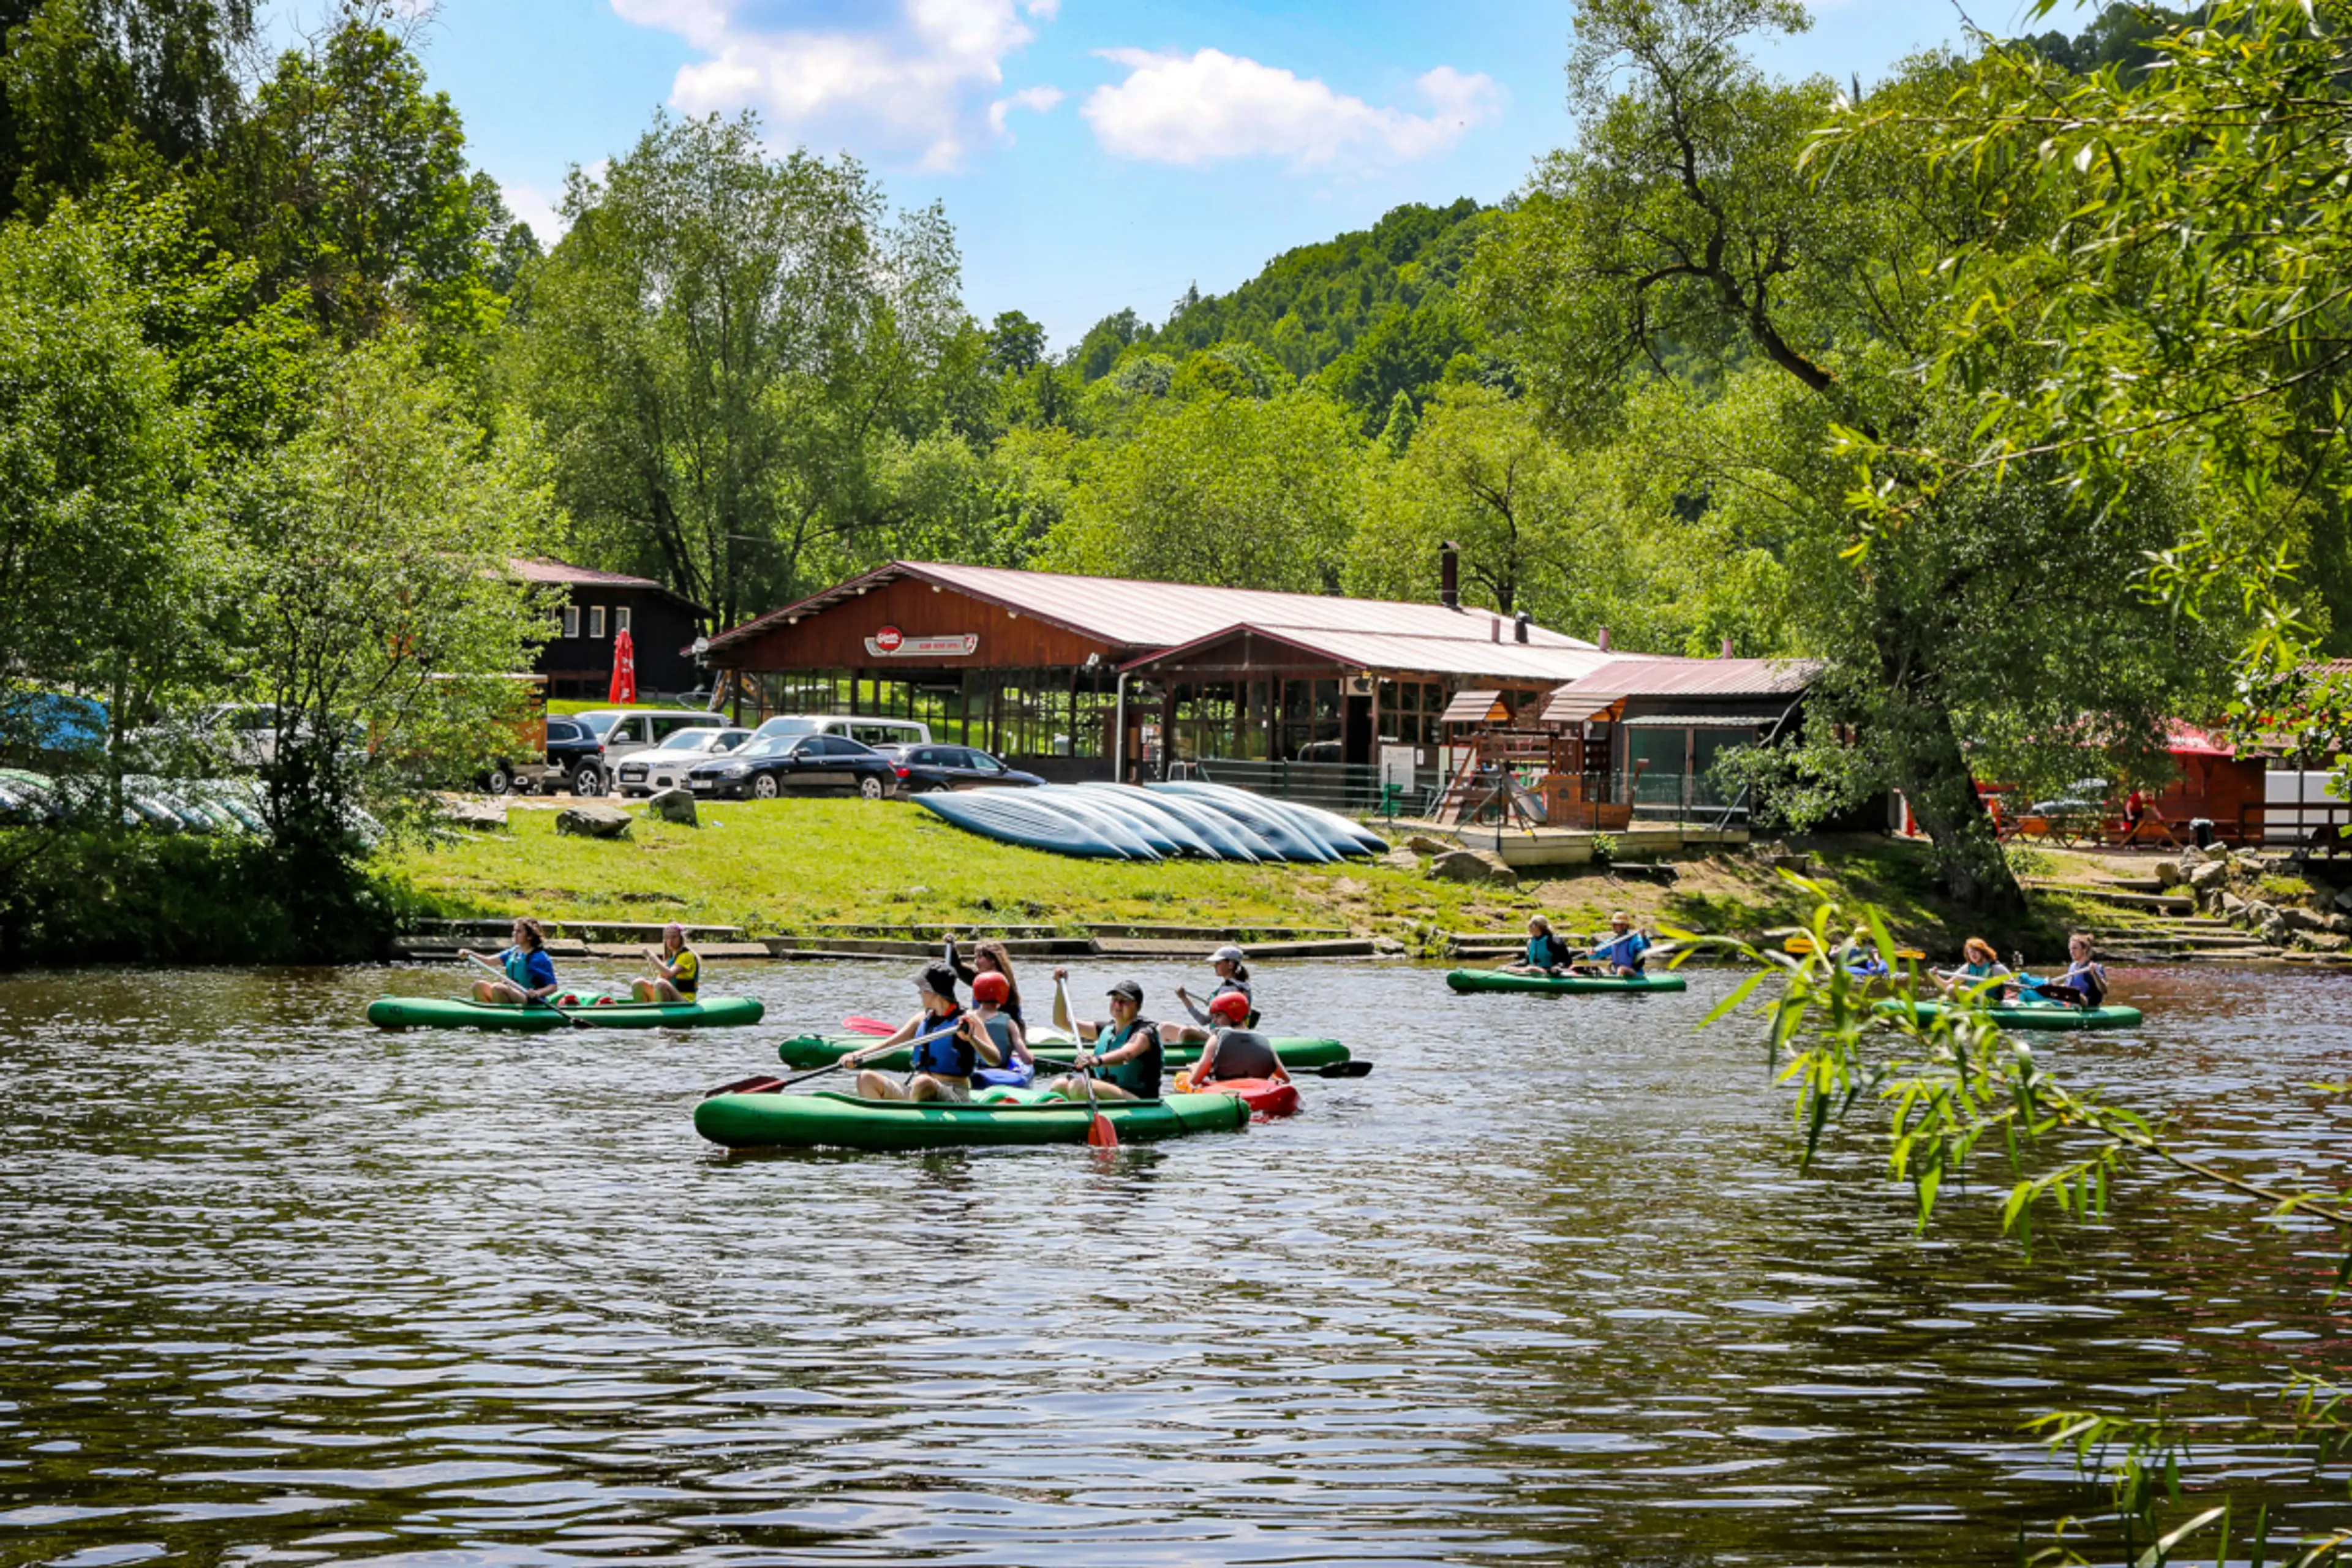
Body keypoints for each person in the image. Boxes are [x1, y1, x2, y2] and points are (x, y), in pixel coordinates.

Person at [849, 964, 1001, 1103]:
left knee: (923, 1083)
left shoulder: (968, 1019)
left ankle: (912, 1121)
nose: (919, 992)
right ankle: (882, 1127)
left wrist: (972, 1039)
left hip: (953, 1093)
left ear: (932, 990)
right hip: (916, 1089)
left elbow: (994, 1059)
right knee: (866, 1078)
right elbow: (889, 1045)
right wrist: (856, 1056)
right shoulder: (922, 1018)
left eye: (922, 987)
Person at [1044, 970, 1163, 1102]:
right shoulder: (1106, 1029)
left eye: (1125, 1001)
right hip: (1111, 1093)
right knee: (1059, 1085)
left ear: (1138, 1007)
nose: (1118, 1005)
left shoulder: (1145, 1032)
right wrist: (1060, 987)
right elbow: (1061, 1022)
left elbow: (1127, 1054)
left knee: (1079, 1086)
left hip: (1141, 1101)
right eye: (1115, 1000)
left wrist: (1096, 1060)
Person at [1187, 990, 1287, 1086]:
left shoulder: (1216, 1038)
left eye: (1218, 1016)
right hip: (1258, 1090)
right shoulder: (1262, 1040)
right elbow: (1285, 1079)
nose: (1214, 1021)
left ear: (1234, 1014)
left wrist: (1194, 1069)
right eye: (1213, 1017)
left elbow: (1196, 1080)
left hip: (1226, 1091)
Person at [463, 918, 559, 1005]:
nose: (514, 934)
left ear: (530, 936)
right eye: (514, 930)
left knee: (498, 987)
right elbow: (488, 961)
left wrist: (537, 993)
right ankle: (489, 1014)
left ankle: (503, 1017)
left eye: (519, 931)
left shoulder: (539, 958)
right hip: (514, 993)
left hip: (530, 999)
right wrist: (469, 954)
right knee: (478, 986)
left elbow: (553, 986)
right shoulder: (514, 952)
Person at [1171, 944, 1254, 1041]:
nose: (1215, 966)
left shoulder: (1229, 990)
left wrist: (1184, 998)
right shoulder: (1239, 986)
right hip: (1220, 1035)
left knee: (1186, 1032)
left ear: (1231, 964)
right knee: (1165, 1027)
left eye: (1218, 963)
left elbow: (1203, 1020)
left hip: (1223, 1039)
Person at [968, 971, 1035, 1089]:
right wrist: (1030, 1057)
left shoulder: (967, 1019)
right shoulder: (1009, 1023)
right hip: (1000, 1073)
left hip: (974, 1073)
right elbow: (1026, 1058)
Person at [945, 935, 1025, 1030]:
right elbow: (957, 968)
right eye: (975, 957)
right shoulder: (978, 977)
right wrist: (952, 946)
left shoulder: (1003, 983)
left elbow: (1014, 1019)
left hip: (1003, 1030)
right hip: (982, 1027)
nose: (975, 962)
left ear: (993, 961)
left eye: (979, 957)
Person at [2032, 933, 2109, 1008]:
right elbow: (2068, 986)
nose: (2071, 952)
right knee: (2051, 989)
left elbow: (2104, 990)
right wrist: (2054, 986)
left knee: (2075, 994)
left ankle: (2075, 997)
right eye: (2070, 949)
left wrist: (2095, 974)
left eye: (2075, 948)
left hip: (2087, 1005)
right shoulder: (2073, 966)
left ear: (2085, 949)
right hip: (2071, 1003)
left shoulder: (2094, 967)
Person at [631, 922, 699, 1002]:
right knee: (638, 983)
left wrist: (651, 956)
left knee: (661, 984)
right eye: (667, 938)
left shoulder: (687, 956)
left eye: (674, 937)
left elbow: (669, 974)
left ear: (681, 938)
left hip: (685, 1000)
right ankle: (642, 1012)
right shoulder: (670, 958)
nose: (670, 941)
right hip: (668, 997)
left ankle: (663, 1013)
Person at [1936, 937, 2015, 999]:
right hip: (1974, 1001)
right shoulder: (1967, 968)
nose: (1973, 955)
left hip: (1991, 1002)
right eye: (1970, 953)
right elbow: (1947, 985)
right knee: (1950, 988)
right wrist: (1935, 976)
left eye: (1976, 951)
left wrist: (2005, 982)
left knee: (1959, 989)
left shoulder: (1996, 968)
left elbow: (2015, 987)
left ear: (1983, 952)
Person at [1501, 915, 1578, 975]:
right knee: (1526, 969)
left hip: (1550, 973)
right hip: (1533, 972)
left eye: (1533, 925)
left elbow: (1567, 960)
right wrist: (1509, 965)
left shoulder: (1554, 941)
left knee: (1531, 969)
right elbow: (1527, 961)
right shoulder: (1531, 941)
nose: (1529, 927)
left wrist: (1558, 967)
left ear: (1541, 927)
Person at [1583, 912, 1650, 977]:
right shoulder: (1613, 941)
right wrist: (1592, 952)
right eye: (1614, 924)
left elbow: (1645, 949)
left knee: (1622, 969)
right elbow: (1597, 955)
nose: (1614, 926)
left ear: (1624, 926)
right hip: (1617, 973)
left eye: (1616, 924)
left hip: (1634, 973)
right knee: (1596, 969)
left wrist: (1644, 938)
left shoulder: (1634, 940)